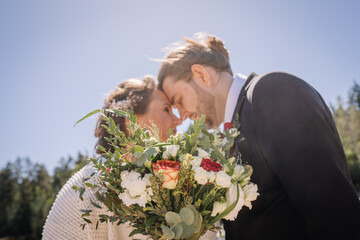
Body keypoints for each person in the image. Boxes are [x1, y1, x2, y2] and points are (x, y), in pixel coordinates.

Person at [157, 33, 360, 239]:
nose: (182, 117)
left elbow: (333, 211)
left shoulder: (272, 91)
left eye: (178, 100)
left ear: (201, 75)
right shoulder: (230, 135)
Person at [42, 76, 183, 239]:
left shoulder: (163, 178)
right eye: (166, 109)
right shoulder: (93, 184)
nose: (178, 120)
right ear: (130, 118)